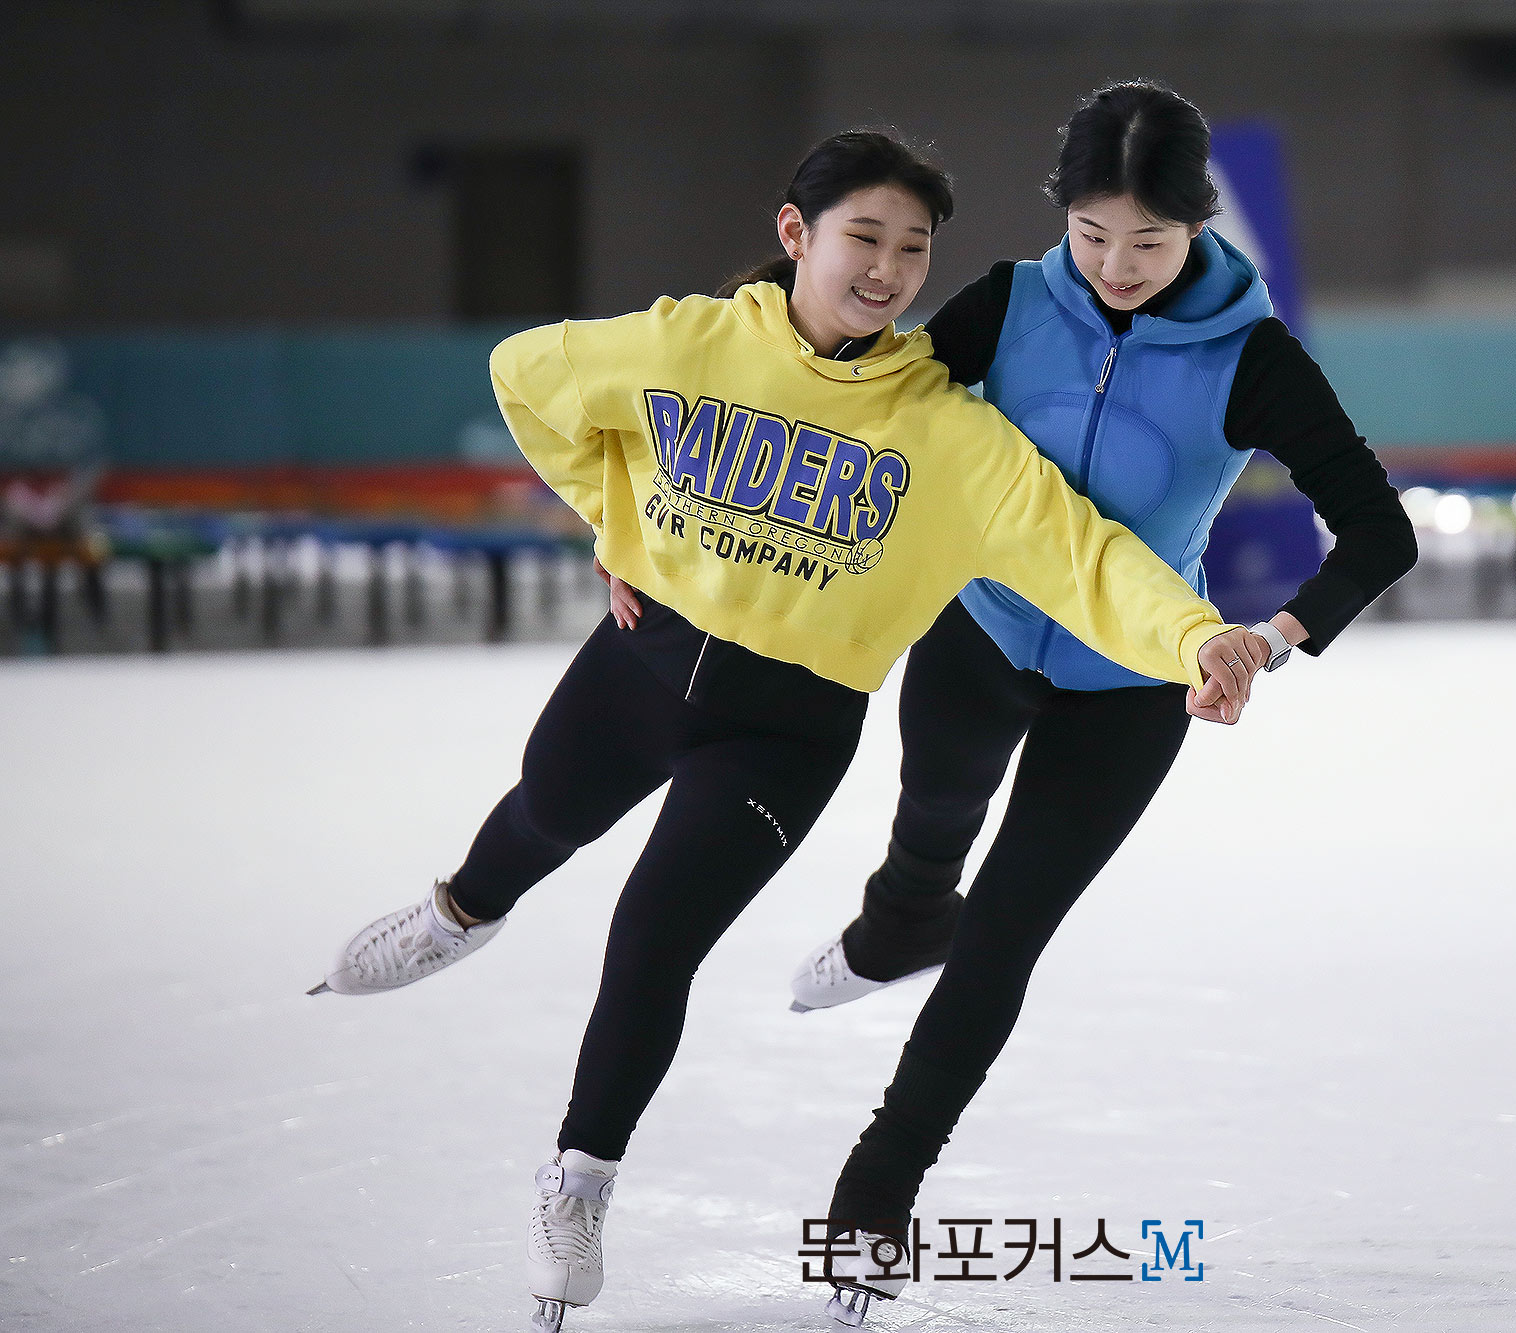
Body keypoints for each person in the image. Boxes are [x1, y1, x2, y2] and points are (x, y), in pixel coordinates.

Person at [305, 129, 1266, 1333]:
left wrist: (1194, 638)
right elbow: (526, 374)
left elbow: (1087, 558)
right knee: (543, 814)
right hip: (638, 667)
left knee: (651, 933)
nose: (888, 269)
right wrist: (611, 512)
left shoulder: (944, 434)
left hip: (786, 733)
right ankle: (459, 909)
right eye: (864, 236)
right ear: (794, 233)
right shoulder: (689, 344)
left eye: (912, 249)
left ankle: (577, 1180)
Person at [772, 84, 1419, 1326]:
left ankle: (876, 1185)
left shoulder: (1251, 355)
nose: (1117, 268)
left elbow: (1377, 531)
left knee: (1006, 932)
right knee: (932, 827)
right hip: (979, 634)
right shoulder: (1007, 305)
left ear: (1195, 229)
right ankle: (899, 917)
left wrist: (1267, 641)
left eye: (1150, 243)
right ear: (1059, 218)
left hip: (1132, 682)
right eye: (1092, 236)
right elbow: (852, 404)